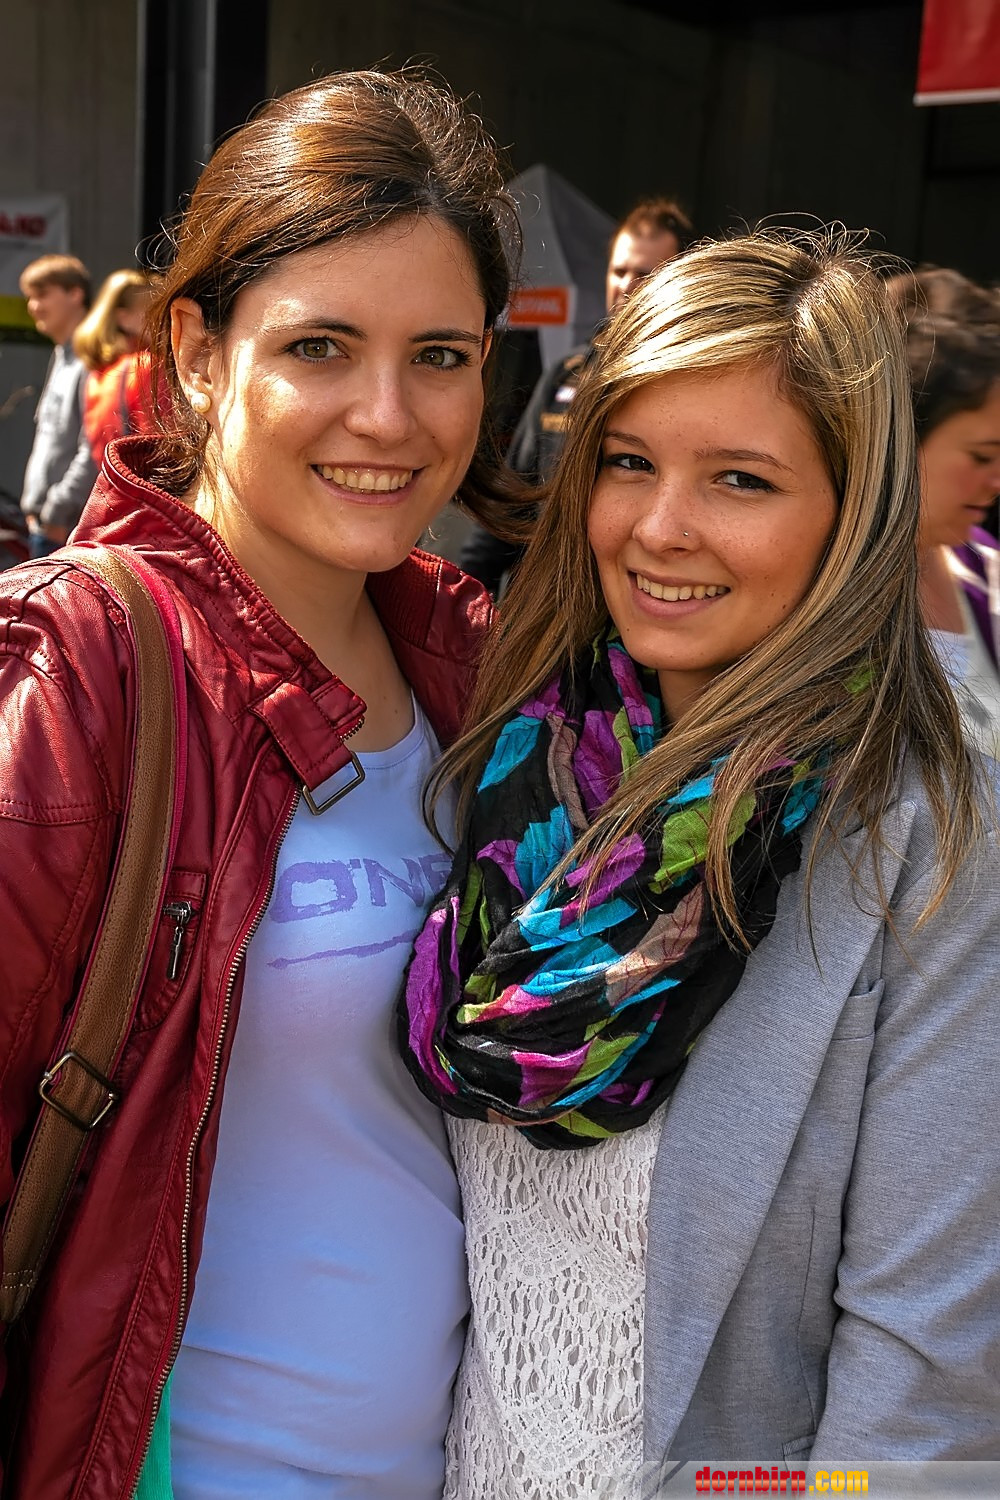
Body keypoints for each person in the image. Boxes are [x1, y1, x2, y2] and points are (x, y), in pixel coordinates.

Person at [400, 230, 1000, 1489]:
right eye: (628, 462)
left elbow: (925, 1371)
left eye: (739, 480)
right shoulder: (521, 756)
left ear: (853, 515)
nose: (660, 529)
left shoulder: (928, 832)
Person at [0, 68, 518, 1500]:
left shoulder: (483, 668)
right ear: (198, 353)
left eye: (440, 355)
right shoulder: (76, 669)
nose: (388, 416)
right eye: (320, 347)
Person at [460, 197, 694, 594]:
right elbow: (512, 500)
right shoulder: (566, 372)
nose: (627, 285)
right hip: (545, 598)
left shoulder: (691, 384)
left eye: (644, 273)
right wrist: (462, 592)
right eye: (619, 271)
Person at [884, 267, 1000, 756]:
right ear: (899, 437)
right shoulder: (814, 594)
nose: (996, 482)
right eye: (981, 456)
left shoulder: (984, 568)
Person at [17, 252, 97, 556]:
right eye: (30, 297)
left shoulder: (92, 358)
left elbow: (95, 447)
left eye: (42, 295)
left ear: (75, 294)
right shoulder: (62, 355)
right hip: (45, 526)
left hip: (65, 530)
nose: (33, 306)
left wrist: (58, 510)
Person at [75, 267, 158, 464]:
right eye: (153, 311)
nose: (163, 318)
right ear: (123, 318)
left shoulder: (97, 375)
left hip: (113, 477)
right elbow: (159, 445)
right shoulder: (145, 366)